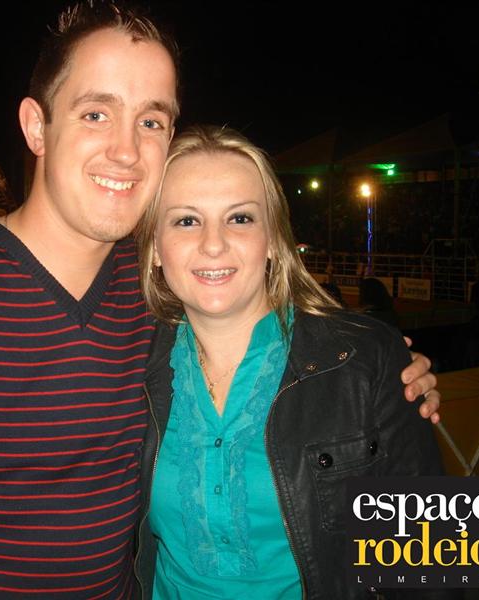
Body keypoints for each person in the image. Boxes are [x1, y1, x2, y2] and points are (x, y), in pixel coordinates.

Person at [0, 3, 439, 598]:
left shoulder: (153, 299)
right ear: (36, 126)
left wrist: (384, 366)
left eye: (151, 120)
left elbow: (443, 554)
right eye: (96, 113)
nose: (126, 149)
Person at [133, 125, 444, 598]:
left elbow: (436, 562)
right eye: (186, 221)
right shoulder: (128, 360)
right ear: (155, 248)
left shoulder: (368, 358)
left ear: (275, 240)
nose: (213, 244)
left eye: (240, 218)